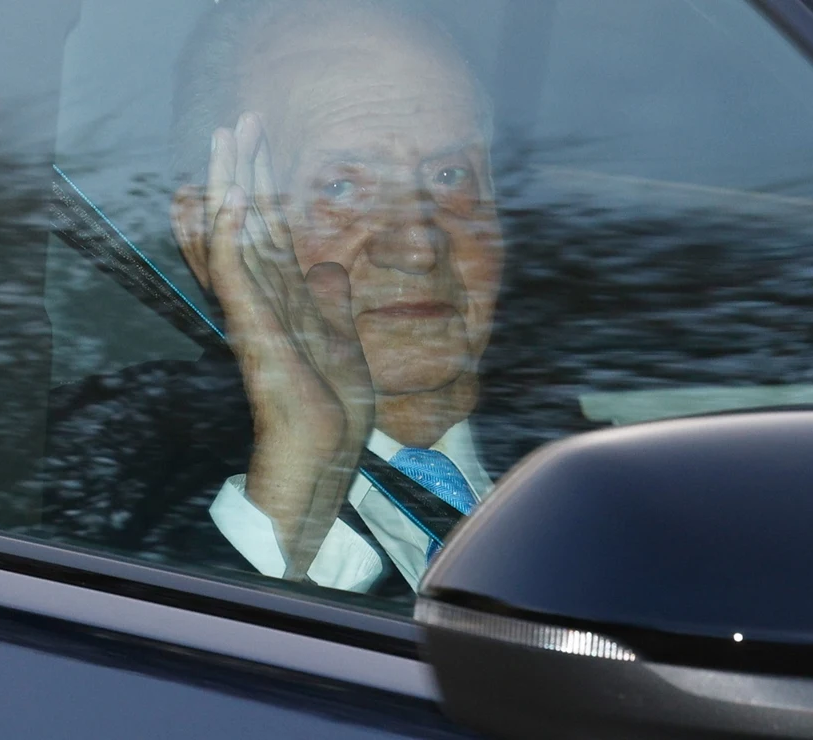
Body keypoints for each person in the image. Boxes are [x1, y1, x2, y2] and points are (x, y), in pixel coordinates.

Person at [33, 0, 503, 596]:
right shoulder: (103, 458)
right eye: (341, 185)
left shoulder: (608, 455)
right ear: (211, 239)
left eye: (449, 176)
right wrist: (289, 508)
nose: (416, 245)